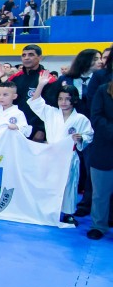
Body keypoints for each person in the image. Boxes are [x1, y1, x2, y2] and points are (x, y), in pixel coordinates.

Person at [29, 72, 93, 226]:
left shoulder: (81, 119)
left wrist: (81, 138)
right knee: (47, 183)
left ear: (74, 100)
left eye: (67, 99)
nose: (63, 102)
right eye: (60, 99)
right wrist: (41, 84)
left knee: (69, 185)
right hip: (51, 154)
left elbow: (89, 135)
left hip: (69, 157)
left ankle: (68, 213)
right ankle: (47, 210)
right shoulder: (50, 113)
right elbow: (35, 102)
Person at [0, 44, 56, 142]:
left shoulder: (48, 79)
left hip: (35, 128)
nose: (26, 58)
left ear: (40, 57)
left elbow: (51, 107)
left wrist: (42, 129)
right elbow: (1, 98)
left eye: (31, 55)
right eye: (24, 55)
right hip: (14, 126)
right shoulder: (15, 78)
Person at [87, 81, 113, 240]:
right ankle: (98, 225)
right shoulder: (103, 90)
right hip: (104, 148)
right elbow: (96, 117)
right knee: (100, 193)